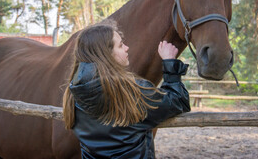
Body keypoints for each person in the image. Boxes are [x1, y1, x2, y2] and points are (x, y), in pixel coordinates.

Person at [62, 20, 190, 159]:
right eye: (121, 45)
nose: (127, 47)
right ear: (106, 54)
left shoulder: (73, 93)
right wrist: (169, 62)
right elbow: (179, 101)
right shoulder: (131, 92)